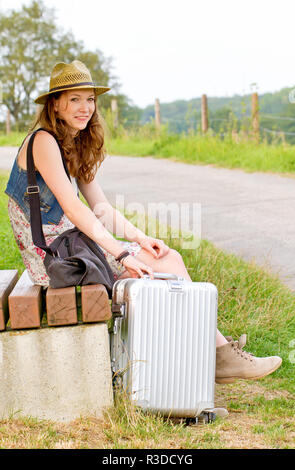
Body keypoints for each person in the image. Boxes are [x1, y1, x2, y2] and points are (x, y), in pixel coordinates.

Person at [5, 60, 282, 384]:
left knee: (167, 259)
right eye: (75, 99)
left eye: (90, 99)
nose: (85, 108)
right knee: (159, 273)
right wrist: (122, 255)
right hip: (53, 258)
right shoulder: (43, 141)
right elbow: (74, 209)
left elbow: (101, 208)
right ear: (55, 103)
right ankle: (211, 360)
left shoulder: (73, 144)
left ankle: (211, 357)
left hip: (73, 245)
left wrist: (139, 239)